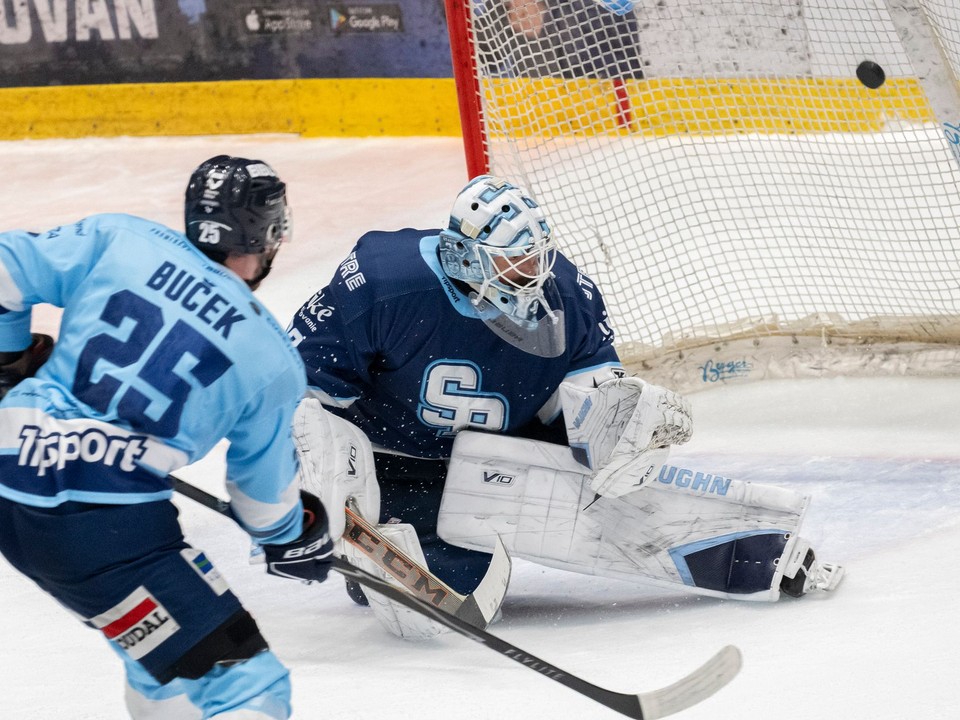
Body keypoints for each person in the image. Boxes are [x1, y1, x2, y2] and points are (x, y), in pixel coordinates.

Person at [287, 174, 844, 641]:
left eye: (537, 259)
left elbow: (595, 394)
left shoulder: (568, 296)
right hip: (395, 461)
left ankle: (762, 552)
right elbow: (301, 391)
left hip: (506, 456)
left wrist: (625, 422)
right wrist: (330, 490)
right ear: (464, 256)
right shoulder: (384, 280)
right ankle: (378, 541)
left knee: (611, 478)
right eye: (514, 265)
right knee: (454, 610)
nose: (532, 275)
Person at [0, 155, 333, 719]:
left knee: (166, 670)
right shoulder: (270, 358)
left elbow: (6, 266)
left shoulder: (119, 238)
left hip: (12, 483)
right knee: (247, 688)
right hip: (104, 531)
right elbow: (260, 504)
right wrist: (295, 533)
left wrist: (7, 361)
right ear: (271, 235)